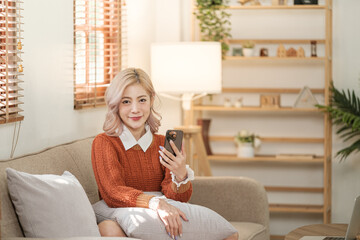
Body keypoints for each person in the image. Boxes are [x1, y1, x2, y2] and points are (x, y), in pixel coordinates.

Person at [91, 68, 238, 240]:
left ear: (152, 100)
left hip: (165, 210)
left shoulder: (163, 143)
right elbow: (113, 192)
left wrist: (180, 175)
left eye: (142, 100)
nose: (135, 109)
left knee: (230, 235)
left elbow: (178, 198)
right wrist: (155, 203)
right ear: (115, 104)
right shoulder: (105, 142)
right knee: (108, 229)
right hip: (133, 210)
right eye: (126, 102)